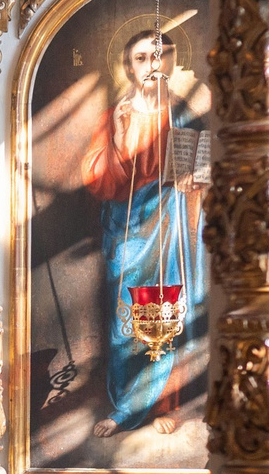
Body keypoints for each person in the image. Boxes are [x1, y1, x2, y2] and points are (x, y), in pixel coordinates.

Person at [81, 25, 206, 438]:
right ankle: (125, 406)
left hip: (171, 227)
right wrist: (117, 144)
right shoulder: (116, 115)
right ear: (129, 68)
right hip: (129, 229)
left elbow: (206, 165)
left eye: (161, 55)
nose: (153, 65)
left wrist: (196, 179)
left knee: (168, 309)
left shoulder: (185, 114)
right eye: (142, 58)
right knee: (128, 316)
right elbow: (98, 178)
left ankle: (163, 403)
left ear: (171, 61)